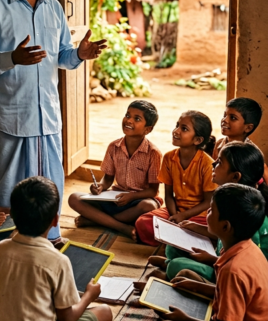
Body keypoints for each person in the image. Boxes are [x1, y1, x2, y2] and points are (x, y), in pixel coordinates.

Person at [0, 0, 107, 246]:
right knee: (8, 188)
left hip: (48, 118)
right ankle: (4, 246)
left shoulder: (54, 8)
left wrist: (80, 55)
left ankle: (49, 240)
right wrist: (11, 58)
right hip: (13, 117)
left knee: (51, 184)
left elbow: (63, 58)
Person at [139, 184, 268, 321]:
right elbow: (237, 297)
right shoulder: (246, 248)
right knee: (185, 277)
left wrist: (187, 320)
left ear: (225, 226)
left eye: (211, 210)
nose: (207, 212)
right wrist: (197, 286)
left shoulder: (234, 270)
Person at [0, 177, 112, 321]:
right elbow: (66, 320)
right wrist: (89, 296)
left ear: (13, 215)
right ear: (55, 220)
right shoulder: (58, 261)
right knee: (104, 312)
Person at [148, 142, 268, 282]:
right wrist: (196, 228)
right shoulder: (230, 198)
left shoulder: (248, 213)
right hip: (221, 258)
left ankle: (173, 269)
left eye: (219, 163)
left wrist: (211, 259)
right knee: (173, 247)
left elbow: (243, 266)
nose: (213, 164)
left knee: (177, 265)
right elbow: (227, 234)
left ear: (235, 177)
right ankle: (173, 268)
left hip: (234, 274)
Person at [68, 100, 162, 240]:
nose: (129, 120)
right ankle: (122, 226)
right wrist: (100, 186)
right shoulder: (114, 147)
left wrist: (131, 196)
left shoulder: (153, 153)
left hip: (138, 200)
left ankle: (95, 220)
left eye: (137, 119)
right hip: (114, 198)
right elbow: (108, 179)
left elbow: (153, 191)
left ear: (147, 129)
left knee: (149, 206)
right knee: (74, 198)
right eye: (127, 115)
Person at [134, 111, 218, 245]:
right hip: (175, 210)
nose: (176, 131)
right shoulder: (169, 158)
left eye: (184, 129)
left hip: (199, 216)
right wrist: (174, 217)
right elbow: (168, 194)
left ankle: (174, 238)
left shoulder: (207, 164)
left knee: (209, 230)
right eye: (177, 125)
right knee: (143, 223)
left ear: (198, 140)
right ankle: (180, 239)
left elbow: (208, 202)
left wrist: (183, 216)